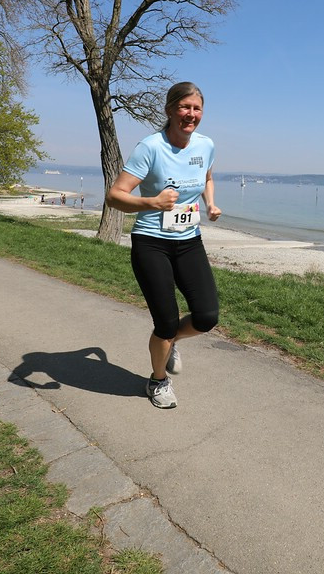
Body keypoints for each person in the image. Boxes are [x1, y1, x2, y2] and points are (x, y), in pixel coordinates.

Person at [107, 81, 221, 409]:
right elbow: (115, 196)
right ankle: (158, 380)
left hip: (189, 241)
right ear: (170, 110)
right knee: (166, 322)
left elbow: (208, 177)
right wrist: (153, 202)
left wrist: (210, 203)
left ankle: (170, 343)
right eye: (184, 107)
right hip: (151, 243)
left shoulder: (205, 145)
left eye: (196, 108)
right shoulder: (151, 147)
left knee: (206, 316)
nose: (191, 114)